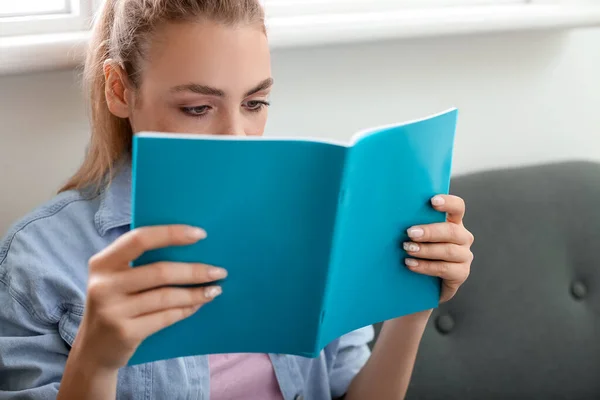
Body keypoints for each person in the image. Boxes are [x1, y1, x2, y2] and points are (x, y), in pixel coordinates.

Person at [0, 0, 474, 399]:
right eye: (197, 108)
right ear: (120, 90)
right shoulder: (40, 262)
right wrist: (96, 362)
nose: (236, 137)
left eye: (254, 104)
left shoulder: (316, 221)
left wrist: (412, 304)